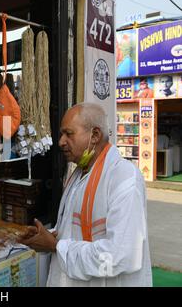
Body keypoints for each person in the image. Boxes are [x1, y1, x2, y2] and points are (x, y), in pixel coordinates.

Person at [19, 102, 152, 287]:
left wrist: (55, 246)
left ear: (95, 135)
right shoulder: (78, 175)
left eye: (69, 134)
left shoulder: (123, 177)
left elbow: (121, 256)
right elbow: (71, 234)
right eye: (61, 134)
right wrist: (45, 237)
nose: (61, 142)